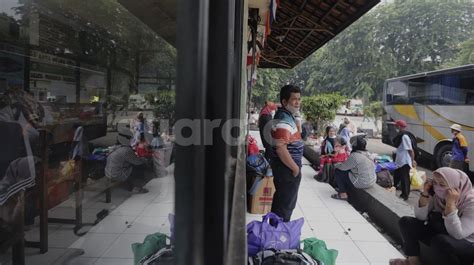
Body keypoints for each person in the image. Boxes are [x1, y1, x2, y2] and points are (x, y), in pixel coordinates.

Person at [389, 167, 474, 265]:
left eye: (442, 184)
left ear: (456, 187)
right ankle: (413, 262)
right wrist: (425, 194)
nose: (438, 188)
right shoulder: (438, 195)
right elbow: (420, 217)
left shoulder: (471, 203)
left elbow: (458, 234)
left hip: (466, 243)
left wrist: (450, 205)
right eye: (435, 183)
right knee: (406, 222)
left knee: (440, 242)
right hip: (444, 233)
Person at [270, 85, 304, 222]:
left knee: (282, 203)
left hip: (286, 169)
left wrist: (297, 119)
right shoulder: (284, 119)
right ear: (284, 102)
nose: (298, 102)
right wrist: (295, 168)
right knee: (284, 207)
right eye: (294, 99)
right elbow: (280, 148)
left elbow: (297, 135)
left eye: (299, 99)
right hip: (287, 170)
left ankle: (275, 235)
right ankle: (277, 237)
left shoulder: (287, 116)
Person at [331, 136, 376, 200]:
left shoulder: (355, 156)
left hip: (362, 182)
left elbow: (343, 167)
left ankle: (343, 194)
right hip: (372, 180)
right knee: (348, 171)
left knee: (338, 171)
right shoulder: (367, 153)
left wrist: (336, 165)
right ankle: (343, 188)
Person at [392, 120, 416, 201]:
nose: (395, 127)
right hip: (400, 161)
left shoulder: (404, 136)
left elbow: (410, 150)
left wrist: (412, 160)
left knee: (404, 179)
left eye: (396, 126)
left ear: (399, 126)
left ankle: (405, 195)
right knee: (397, 176)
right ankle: (393, 189)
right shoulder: (401, 135)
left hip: (405, 161)